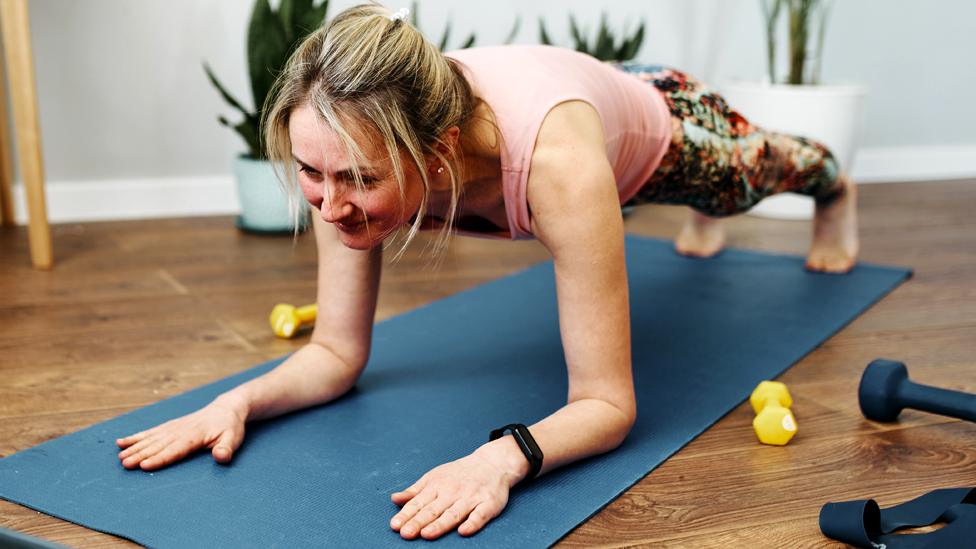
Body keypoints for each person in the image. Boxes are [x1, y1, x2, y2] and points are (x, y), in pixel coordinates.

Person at [116, 3, 858, 541]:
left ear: (437, 151)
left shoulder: (559, 167)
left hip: (665, 119)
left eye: (357, 180)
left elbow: (608, 401)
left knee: (765, 172)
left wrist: (502, 459)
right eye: (310, 171)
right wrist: (238, 402)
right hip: (584, 90)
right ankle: (709, 214)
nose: (329, 204)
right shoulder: (344, 149)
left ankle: (836, 192)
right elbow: (336, 354)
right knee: (711, 203)